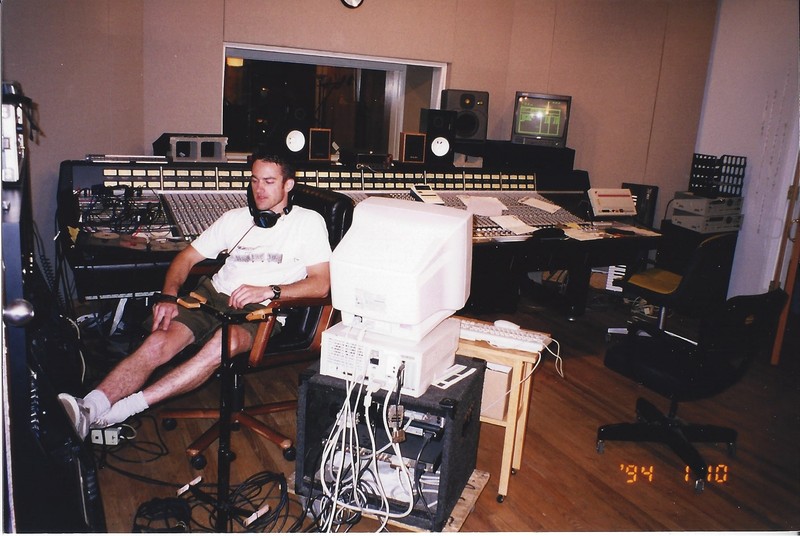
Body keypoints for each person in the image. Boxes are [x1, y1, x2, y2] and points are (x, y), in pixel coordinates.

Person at [58, 148, 333, 440]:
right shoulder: (234, 218)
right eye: (254, 180)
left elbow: (322, 284)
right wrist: (168, 296)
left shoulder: (308, 222)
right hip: (213, 296)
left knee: (222, 342)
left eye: (268, 181)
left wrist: (269, 290)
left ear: (288, 184)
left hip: (263, 310)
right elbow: (186, 258)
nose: (259, 189)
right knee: (158, 342)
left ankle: (124, 410)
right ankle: (89, 408)